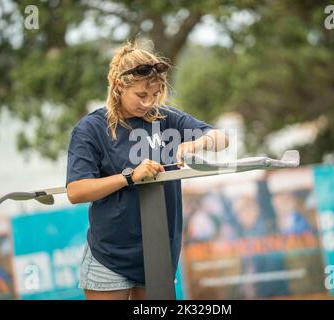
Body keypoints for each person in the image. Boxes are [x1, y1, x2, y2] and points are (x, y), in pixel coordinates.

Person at [66, 39, 229, 300]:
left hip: (159, 251)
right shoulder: (91, 129)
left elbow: (221, 137)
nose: (149, 103)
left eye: (155, 95)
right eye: (141, 95)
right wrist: (129, 177)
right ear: (119, 86)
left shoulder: (166, 119)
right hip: (109, 255)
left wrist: (198, 143)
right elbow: (75, 191)